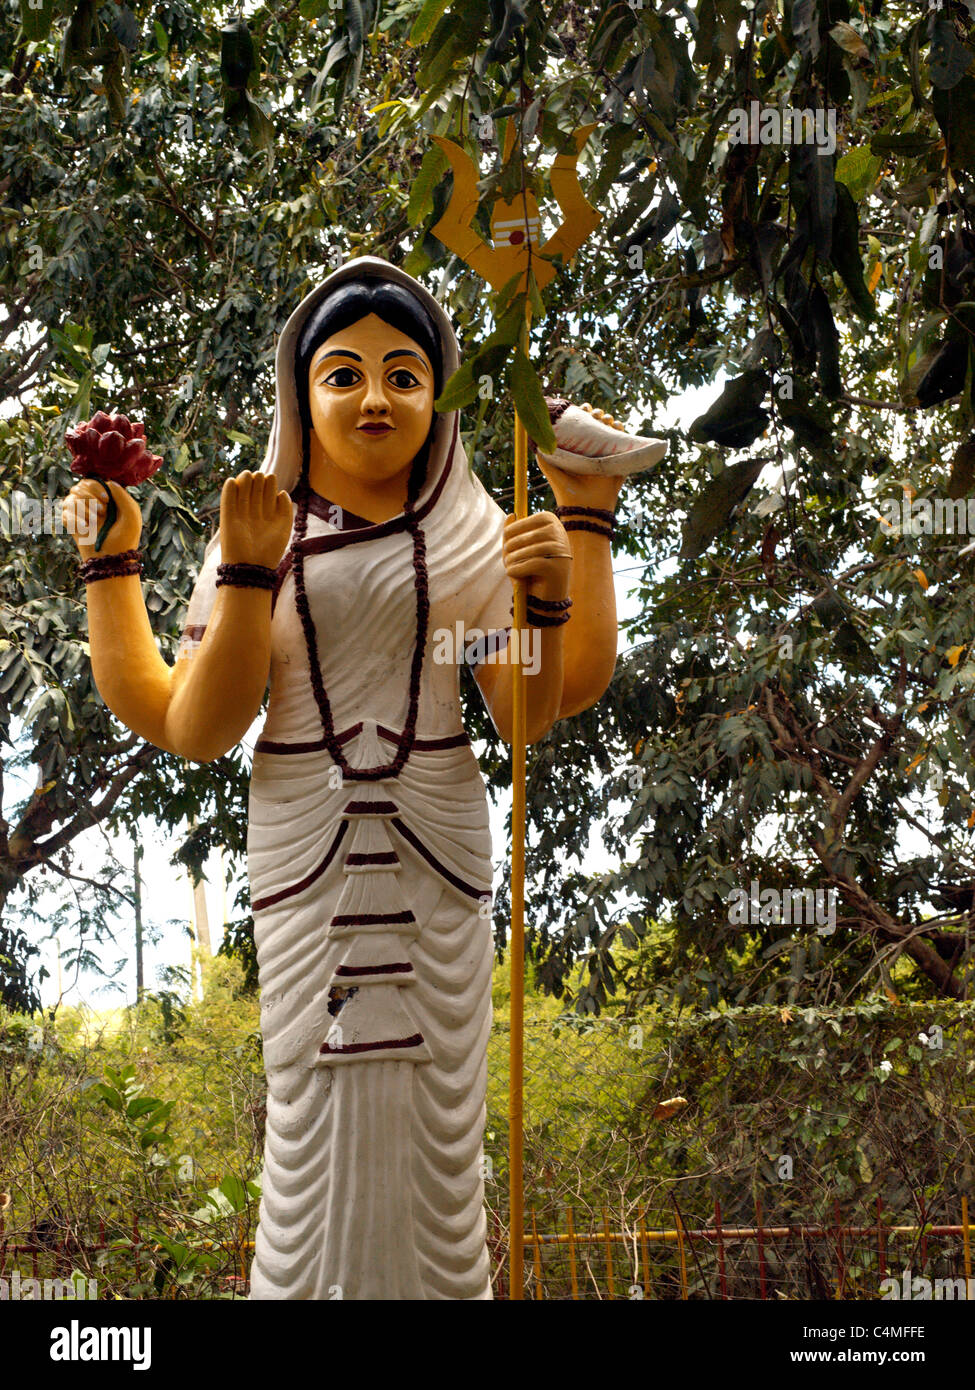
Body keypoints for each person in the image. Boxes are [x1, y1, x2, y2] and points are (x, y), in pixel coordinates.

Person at [62, 256, 646, 1299]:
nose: (375, 397)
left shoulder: (469, 529)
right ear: (301, 396)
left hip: (436, 836)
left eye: (404, 374)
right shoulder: (259, 519)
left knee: (436, 1120)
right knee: (313, 1112)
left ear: (439, 395)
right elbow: (195, 722)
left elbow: (525, 711)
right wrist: (204, 570)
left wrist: (555, 586)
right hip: (305, 842)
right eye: (343, 373)